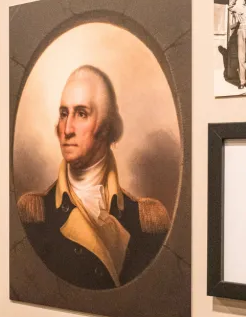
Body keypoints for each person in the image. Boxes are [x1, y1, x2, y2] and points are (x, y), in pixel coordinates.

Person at [16, 65, 170, 290]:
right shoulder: (34, 214)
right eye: (63, 114)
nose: (67, 129)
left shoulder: (147, 220)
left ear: (106, 127)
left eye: (81, 114)